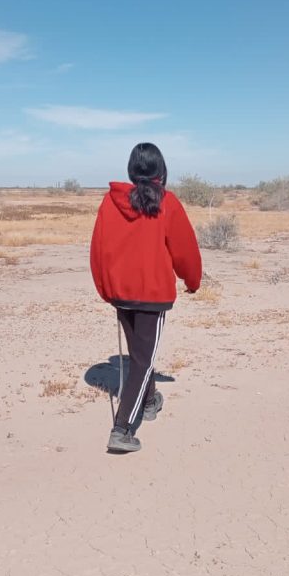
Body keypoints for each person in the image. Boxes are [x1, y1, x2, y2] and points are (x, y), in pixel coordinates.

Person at [90, 142, 202, 453]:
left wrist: (106, 289)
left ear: (131, 169)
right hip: (152, 294)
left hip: (120, 292)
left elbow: (98, 250)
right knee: (142, 360)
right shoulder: (167, 202)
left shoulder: (110, 202)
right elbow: (185, 249)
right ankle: (122, 429)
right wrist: (193, 281)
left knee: (140, 355)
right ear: (161, 170)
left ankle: (150, 400)